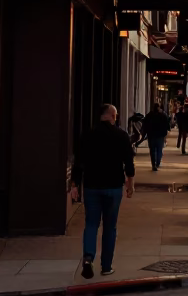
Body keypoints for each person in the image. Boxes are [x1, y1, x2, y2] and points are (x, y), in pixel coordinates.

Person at [70, 104, 135, 280]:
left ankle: (88, 257)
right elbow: (128, 161)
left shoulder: (88, 135)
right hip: (113, 187)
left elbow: (79, 161)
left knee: (91, 224)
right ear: (113, 116)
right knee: (110, 227)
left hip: (92, 186)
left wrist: (74, 184)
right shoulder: (121, 135)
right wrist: (130, 182)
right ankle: (106, 266)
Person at [142, 102, 171, 171]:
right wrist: (166, 131)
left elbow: (145, 125)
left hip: (151, 135)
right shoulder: (163, 115)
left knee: (152, 151)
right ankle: (157, 163)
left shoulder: (149, 115)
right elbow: (167, 124)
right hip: (160, 135)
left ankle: (153, 164)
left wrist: (144, 133)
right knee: (159, 149)